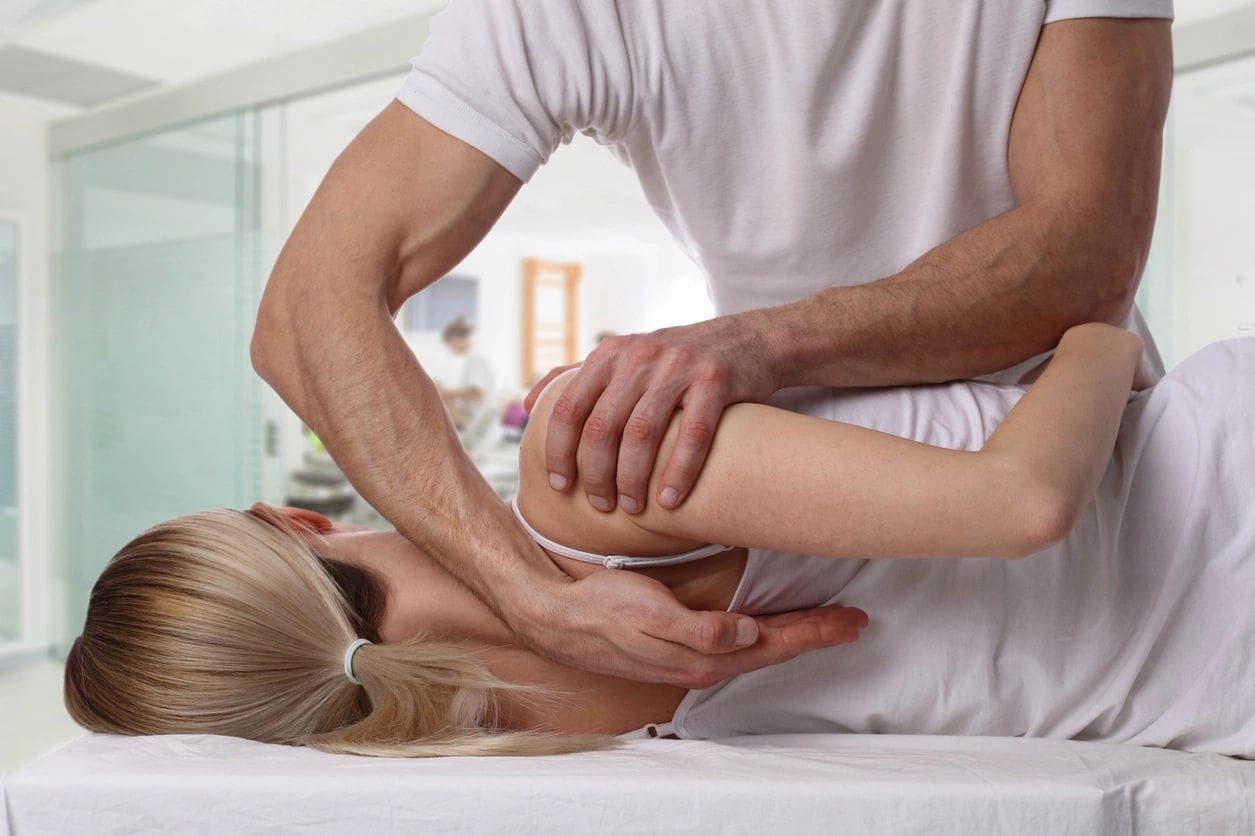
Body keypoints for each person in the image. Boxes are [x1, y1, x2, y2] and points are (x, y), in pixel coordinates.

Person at [250, 1, 1175, 686]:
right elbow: (307, 310)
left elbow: (1086, 255)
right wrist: (531, 600)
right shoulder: (564, 14)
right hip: (807, 473)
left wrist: (761, 343)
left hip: (1091, 446)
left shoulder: (594, 502)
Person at [65, 326, 1255, 758]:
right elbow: (1020, 506)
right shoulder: (576, 480)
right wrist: (1093, 331)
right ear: (294, 515)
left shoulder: (557, 741)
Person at [435, 315, 495, 432]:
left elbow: (477, 393)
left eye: (449, 343)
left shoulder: (476, 359)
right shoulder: (473, 359)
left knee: (439, 398)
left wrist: (444, 393)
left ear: (455, 339)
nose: (449, 348)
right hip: (472, 415)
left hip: (475, 420)